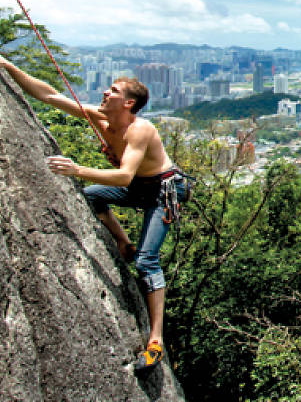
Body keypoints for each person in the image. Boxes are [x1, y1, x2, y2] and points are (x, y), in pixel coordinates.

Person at [0, 55, 186, 371]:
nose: (104, 93)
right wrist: (8, 67)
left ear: (128, 103)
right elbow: (48, 95)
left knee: (146, 261)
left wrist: (76, 169)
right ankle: (123, 243)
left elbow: (124, 176)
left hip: (164, 191)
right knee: (90, 198)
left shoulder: (139, 131)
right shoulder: (101, 119)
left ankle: (156, 340)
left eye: (113, 91)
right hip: (140, 186)